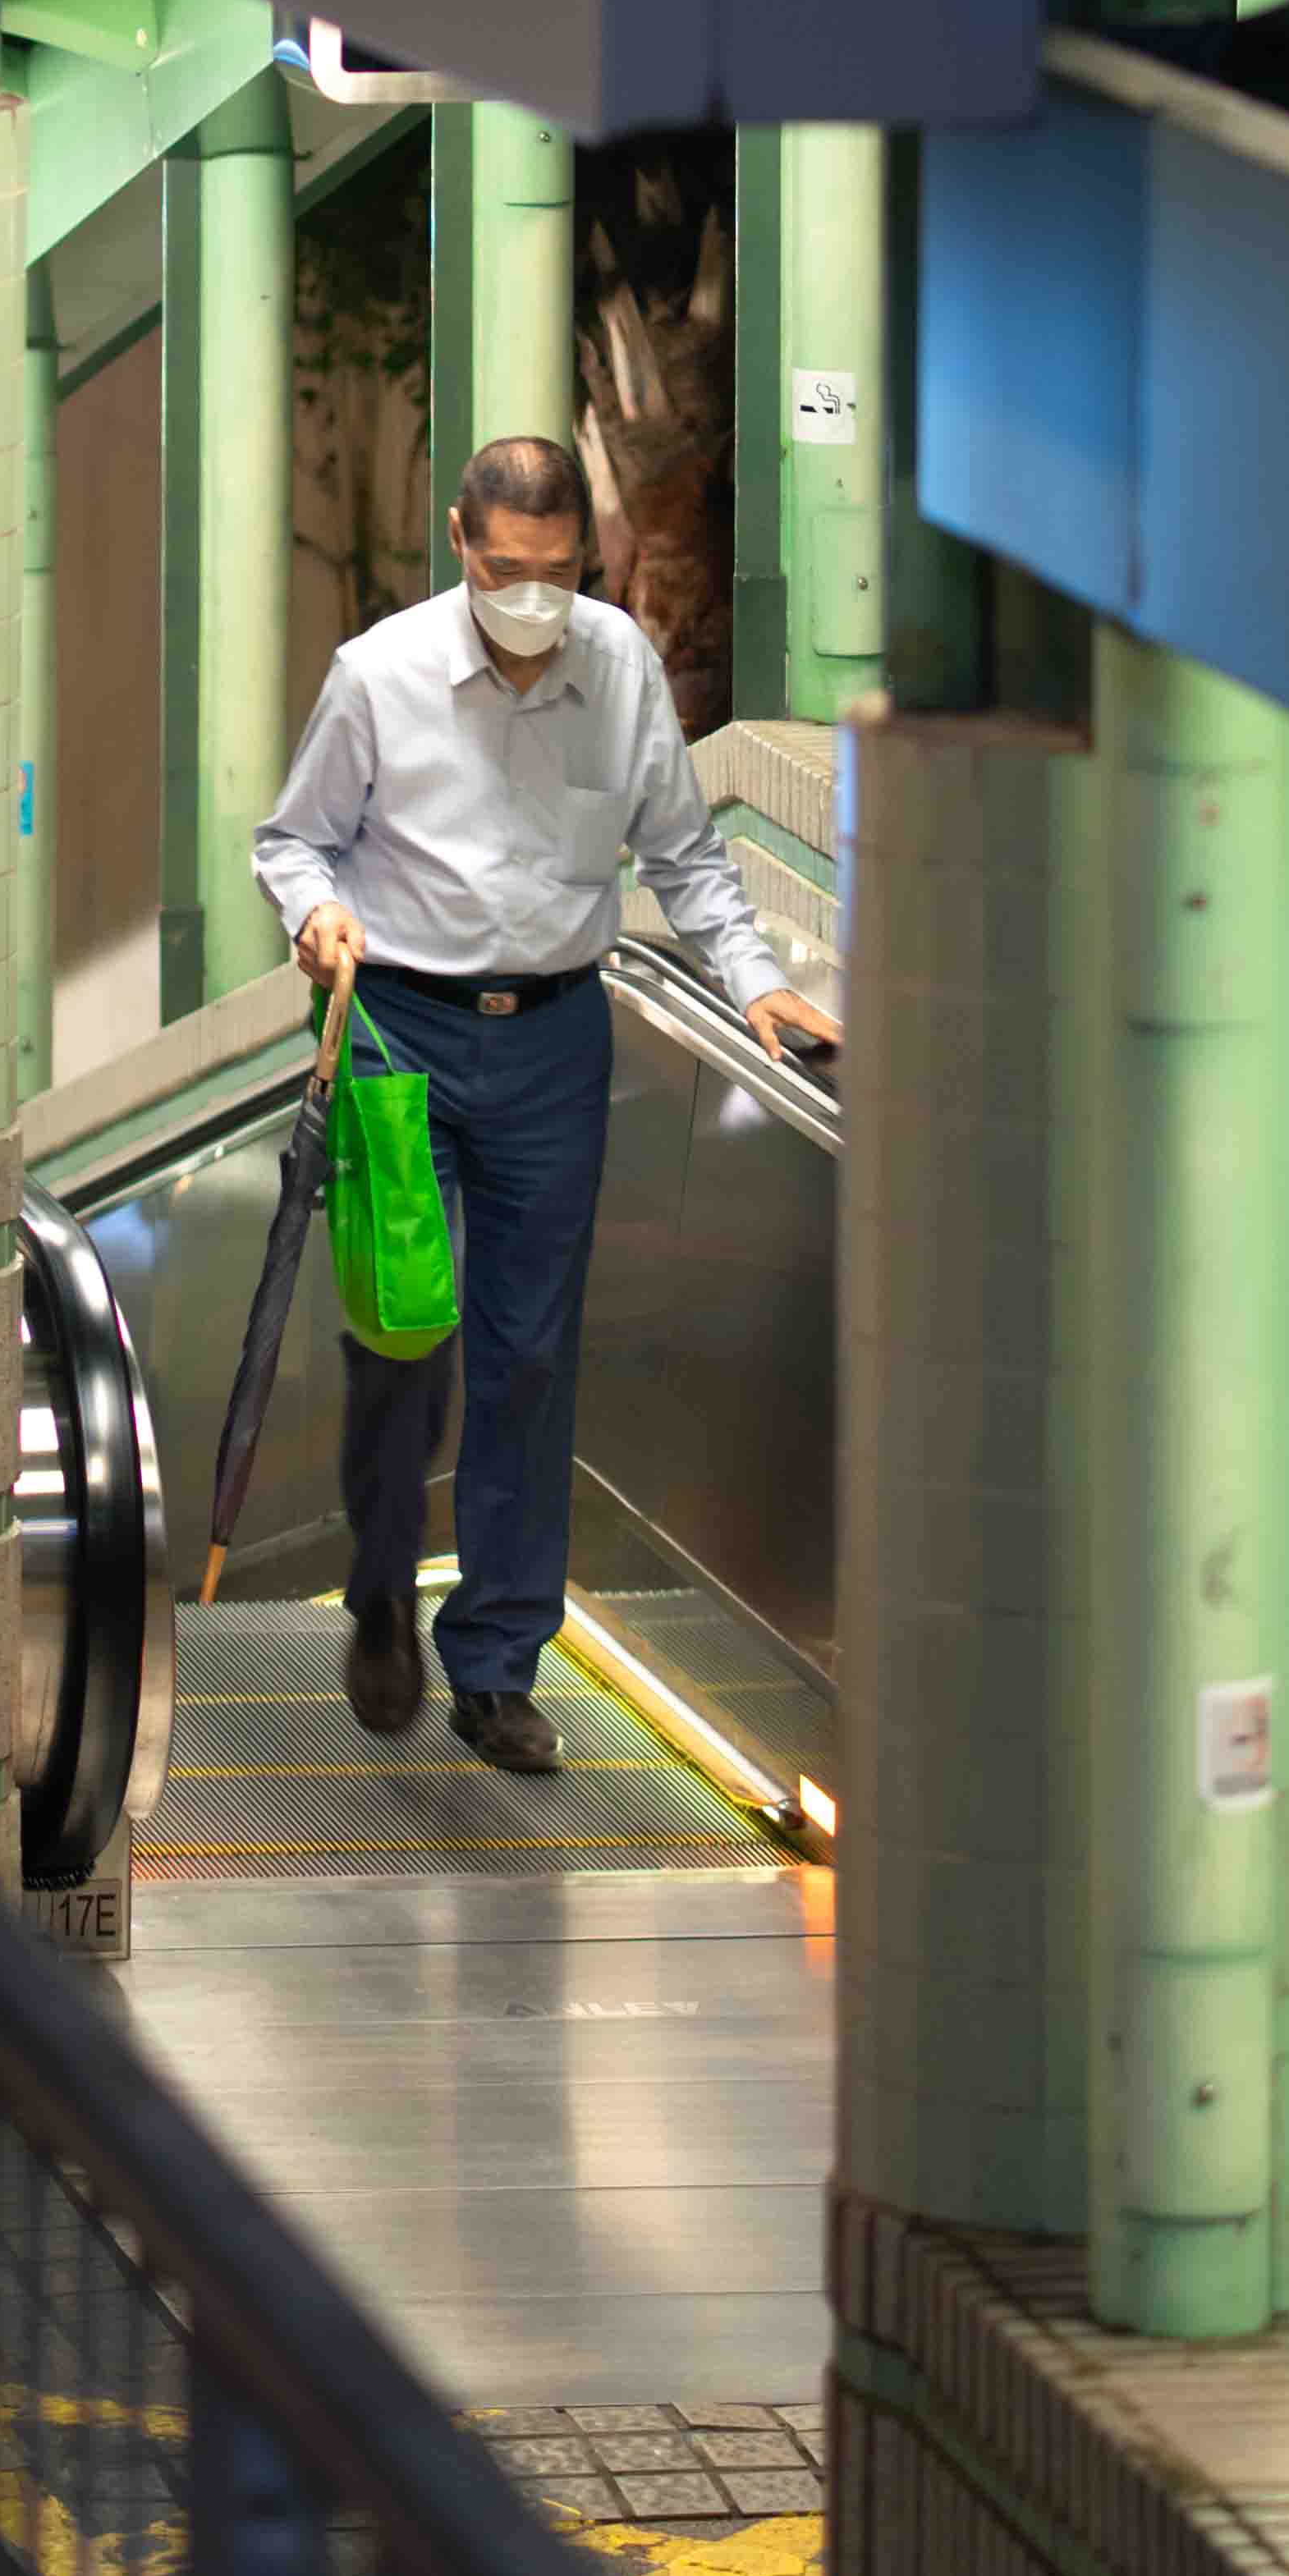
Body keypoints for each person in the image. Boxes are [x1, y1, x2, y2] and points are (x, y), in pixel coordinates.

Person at [253, 433, 839, 1772]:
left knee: (529, 1352)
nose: (532, 596)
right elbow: (292, 838)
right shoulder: (381, 676)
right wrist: (317, 911)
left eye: (558, 571)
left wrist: (752, 981)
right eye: (507, 568)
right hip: (401, 1025)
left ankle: (498, 1662)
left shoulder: (619, 663)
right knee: (407, 1332)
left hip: (557, 1046)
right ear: (460, 540)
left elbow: (686, 856)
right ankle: (383, 1588)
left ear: (586, 559)